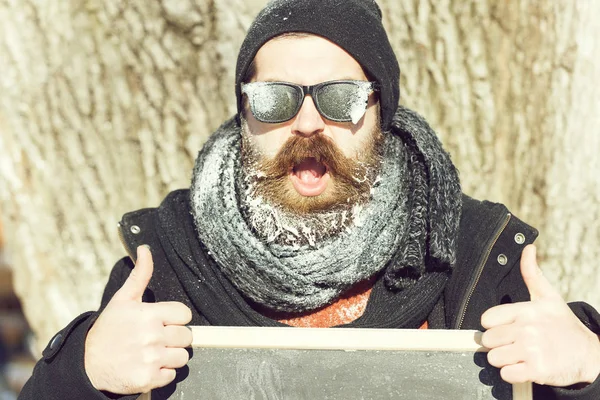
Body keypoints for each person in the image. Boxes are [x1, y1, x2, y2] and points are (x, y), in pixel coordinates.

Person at [19, 0, 600, 399]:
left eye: (339, 97)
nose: (306, 122)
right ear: (244, 114)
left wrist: (587, 370)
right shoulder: (169, 263)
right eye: (274, 98)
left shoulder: (471, 256)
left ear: (381, 113)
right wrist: (82, 370)